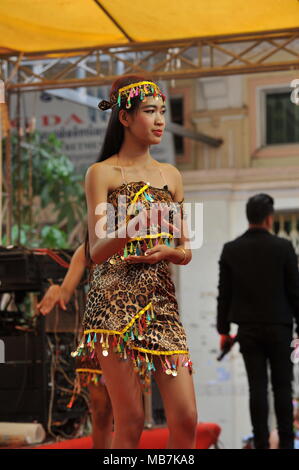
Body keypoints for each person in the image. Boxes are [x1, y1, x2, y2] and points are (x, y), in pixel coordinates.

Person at [71, 74, 198, 449]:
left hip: (162, 304)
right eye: (149, 111)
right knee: (131, 420)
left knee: (186, 416)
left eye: (162, 111)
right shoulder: (101, 173)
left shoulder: (171, 175)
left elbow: (187, 248)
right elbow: (96, 251)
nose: (160, 120)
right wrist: (137, 224)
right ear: (124, 118)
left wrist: (172, 252)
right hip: (112, 305)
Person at [216, 193, 299, 449]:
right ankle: (286, 444)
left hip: (248, 331)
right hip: (280, 329)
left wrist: (223, 331)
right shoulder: (283, 248)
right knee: (282, 388)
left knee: (257, 388)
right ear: (269, 218)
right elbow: (295, 292)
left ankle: (261, 444)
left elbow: (224, 293)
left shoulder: (232, 250)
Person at [36, 235, 113, 449]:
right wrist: (56, 290)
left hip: (131, 336)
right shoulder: (88, 250)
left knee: (129, 411)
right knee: (100, 409)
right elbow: (66, 292)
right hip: (97, 335)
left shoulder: (138, 243)